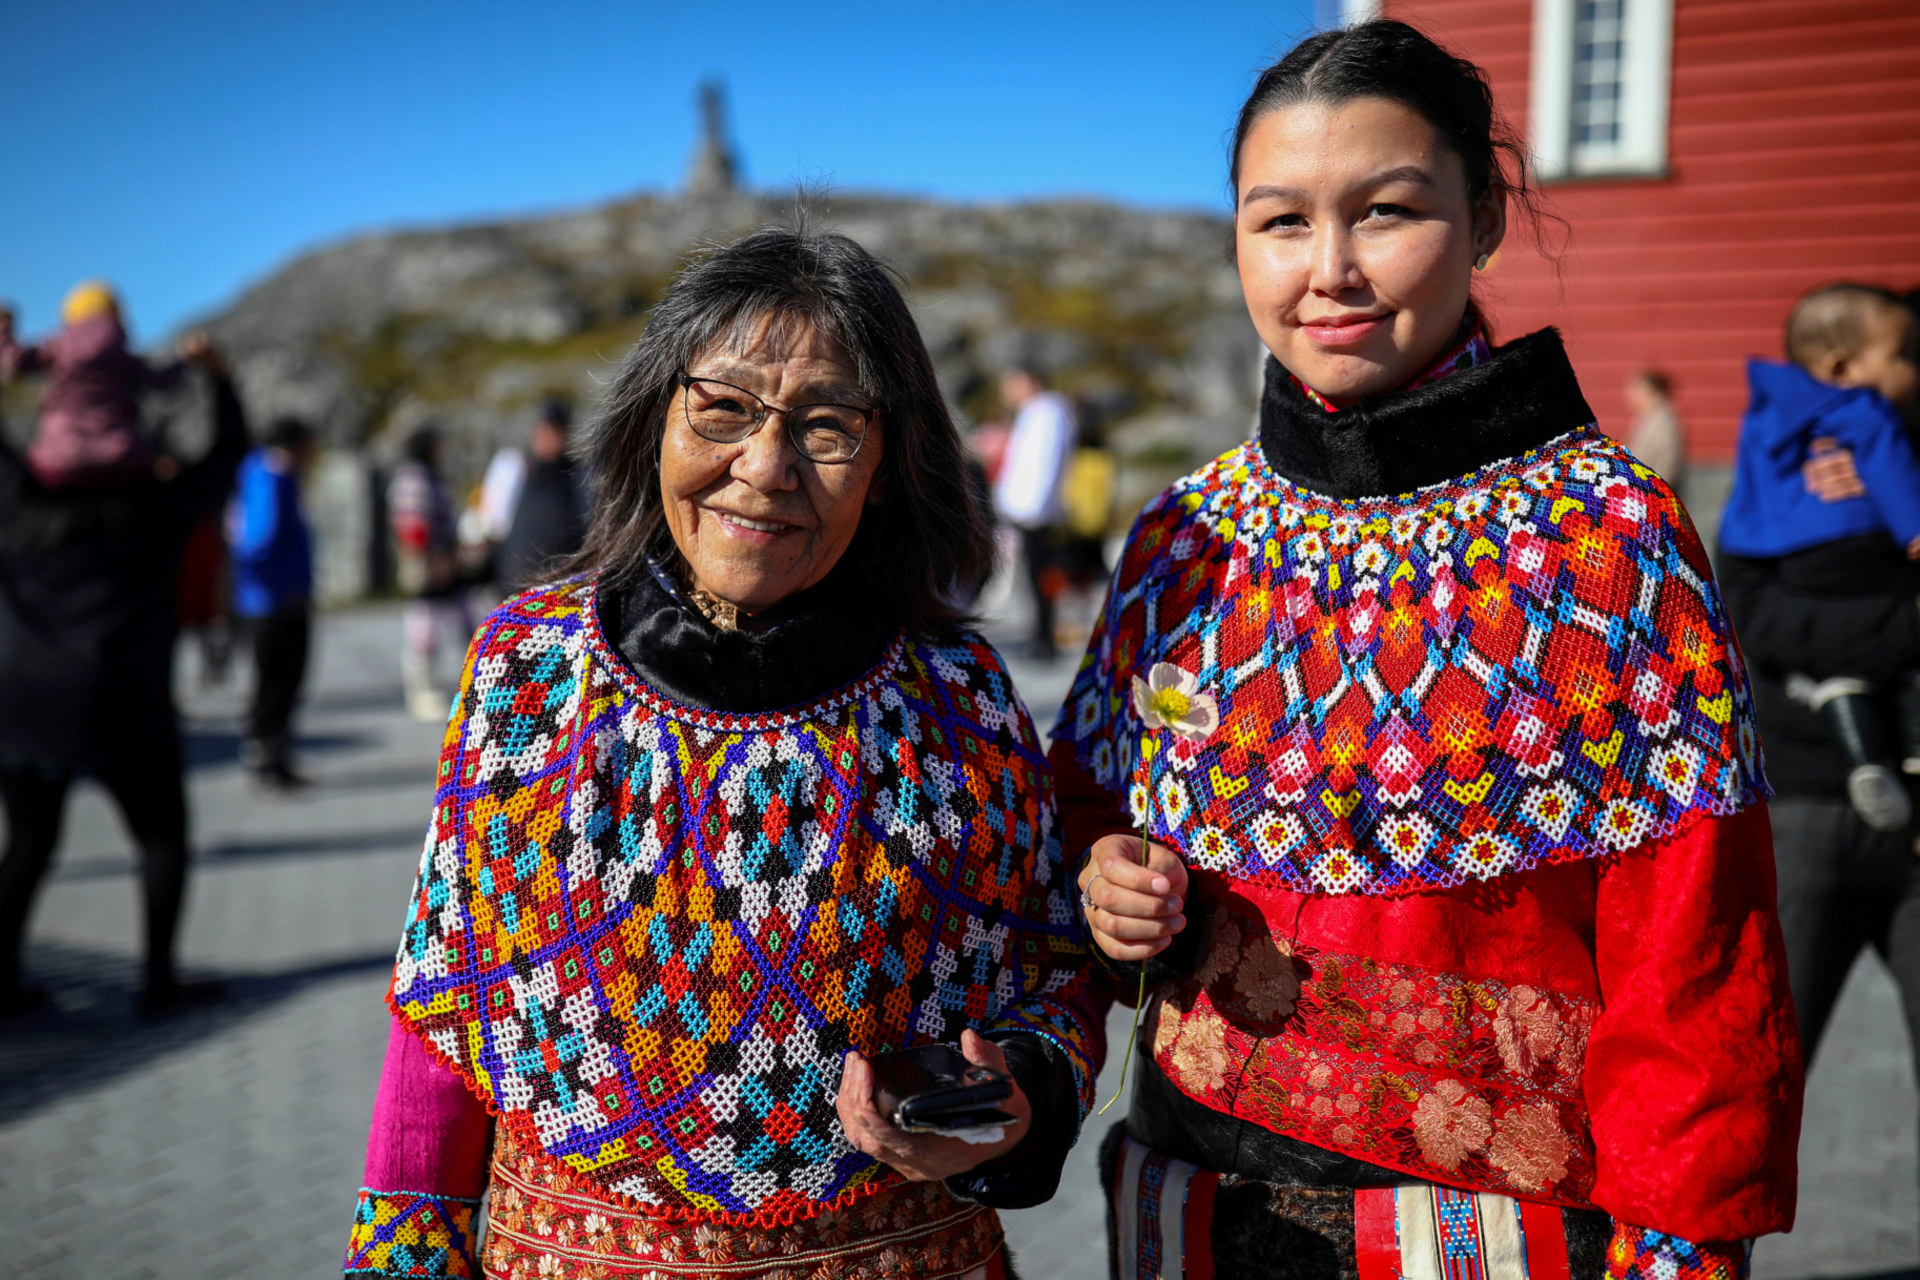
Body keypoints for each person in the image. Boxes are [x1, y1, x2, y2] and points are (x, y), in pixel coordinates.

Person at [1055, 22, 1799, 1278]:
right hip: (1184, 1215)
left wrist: (1682, 1248)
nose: (1329, 270)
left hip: (1494, 1241)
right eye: (1280, 222)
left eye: (1387, 212)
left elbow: (1697, 957)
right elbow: (1085, 807)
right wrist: (1107, 882)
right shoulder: (1186, 538)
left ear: (1487, 216)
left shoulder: (1605, 541)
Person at [342, 226, 1102, 1280]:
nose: (765, 466)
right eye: (724, 408)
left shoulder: (962, 699)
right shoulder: (525, 674)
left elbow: (1052, 974)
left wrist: (1014, 1094)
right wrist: (405, 1251)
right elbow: (445, 999)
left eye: (828, 426)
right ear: (657, 417)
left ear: (885, 466)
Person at [0, 331, 247, 1017]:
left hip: (24, 705)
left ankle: (3, 979)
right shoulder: (155, 506)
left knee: (27, 844)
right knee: (161, 839)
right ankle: (158, 981)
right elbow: (228, 456)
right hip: (126, 703)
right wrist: (218, 378)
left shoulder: (18, 501)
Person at [1719, 284, 1920, 832]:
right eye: (1904, 357)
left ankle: (1842, 703)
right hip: (1853, 548)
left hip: (1775, 549)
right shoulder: (1865, 407)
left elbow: (1749, 500)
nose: (1911, 371)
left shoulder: (1767, 411)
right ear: (1841, 367)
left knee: (1837, 672)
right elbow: (1889, 468)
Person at [0, 281, 199, 489]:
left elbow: (14, 363)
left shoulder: (58, 346)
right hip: (123, 459)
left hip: (60, 462)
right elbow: (163, 381)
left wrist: (4, 327)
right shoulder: (125, 359)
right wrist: (185, 359)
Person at [229, 415, 319, 790]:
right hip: (276, 600)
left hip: (262, 598)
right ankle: (269, 761)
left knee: (272, 682)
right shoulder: (274, 478)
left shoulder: (254, 471)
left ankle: (273, 758)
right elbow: (257, 537)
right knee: (278, 682)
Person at [387, 424, 472, 722]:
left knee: (461, 619)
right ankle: (422, 692)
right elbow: (413, 526)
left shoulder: (430, 476)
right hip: (428, 562)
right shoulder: (414, 478)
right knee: (424, 627)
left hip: (443, 558)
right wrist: (433, 559)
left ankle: (474, 681)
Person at [992, 366, 1076, 659]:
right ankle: (1039, 634)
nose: (1007, 391)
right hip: (1026, 509)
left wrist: (1034, 507)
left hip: (1035, 512)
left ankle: (1045, 637)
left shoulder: (1049, 412)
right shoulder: (1034, 413)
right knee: (1033, 575)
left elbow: (1046, 462)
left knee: (1042, 574)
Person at [493, 397, 589, 590]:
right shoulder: (517, 469)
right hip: (514, 585)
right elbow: (497, 521)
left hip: (560, 585)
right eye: (542, 431)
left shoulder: (577, 475)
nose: (546, 438)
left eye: (553, 432)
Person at [1623, 368, 1685, 491]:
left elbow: (1667, 466)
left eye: (1638, 390)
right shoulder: (1645, 419)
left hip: (1653, 491)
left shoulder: (1664, 422)